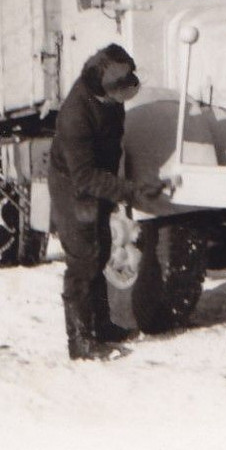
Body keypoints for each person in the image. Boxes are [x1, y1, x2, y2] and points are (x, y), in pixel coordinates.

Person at [49, 44, 164, 361]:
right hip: (73, 187)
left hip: (96, 180)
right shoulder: (75, 116)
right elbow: (84, 176)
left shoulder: (112, 100)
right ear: (103, 88)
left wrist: (121, 188)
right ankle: (81, 340)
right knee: (83, 259)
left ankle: (102, 325)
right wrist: (129, 192)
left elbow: (112, 148)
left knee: (99, 250)